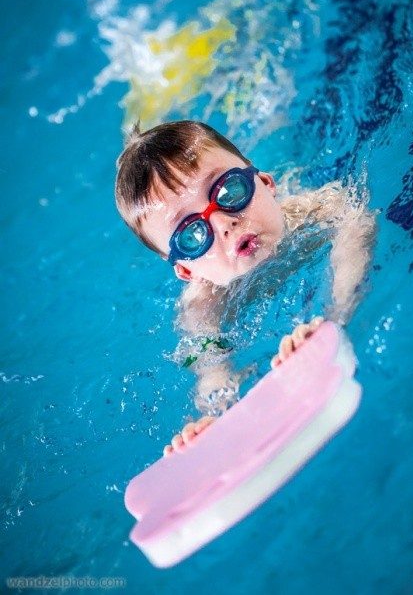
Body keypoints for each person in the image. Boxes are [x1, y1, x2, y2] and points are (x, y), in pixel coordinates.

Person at [115, 120, 375, 456]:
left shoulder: (316, 210)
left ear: (266, 183)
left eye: (228, 191)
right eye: (192, 234)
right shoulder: (202, 304)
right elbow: (210, 368)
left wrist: (335, 317)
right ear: (187, 271)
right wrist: (216, 418)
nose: (224, 224)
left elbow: (356, 224)